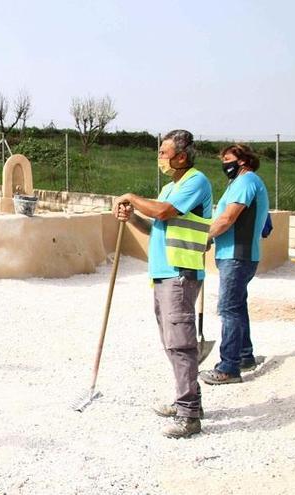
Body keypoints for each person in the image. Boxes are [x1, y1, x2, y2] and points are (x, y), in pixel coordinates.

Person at [112, 129, 212, 438]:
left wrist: (132, 198)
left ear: (181, 156)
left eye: (163, 154)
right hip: (163, 274)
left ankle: (189, 415)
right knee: (172, 343)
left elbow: (164, 212)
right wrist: (131, 218)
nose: (160, 159)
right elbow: (156, 224)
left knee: (181, 344)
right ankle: (189, 400)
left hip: (180, 273)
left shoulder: (196, 181)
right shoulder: (171, 187)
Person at [200, 144, 270, 385]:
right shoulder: (242, 183)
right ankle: (244, 356)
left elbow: (228, 218)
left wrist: (204, 237)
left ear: (242, 160)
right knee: (237, 307)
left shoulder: (245, 182)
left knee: (229, 309)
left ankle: (228, 368)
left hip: (237, 256)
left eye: (227, 159)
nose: (224, 163)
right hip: (237, 255)